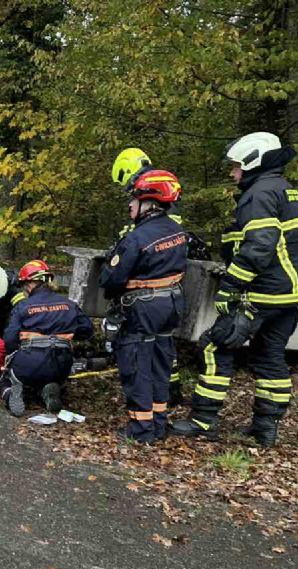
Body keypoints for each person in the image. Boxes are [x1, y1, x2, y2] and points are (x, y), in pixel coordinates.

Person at [171, 132, 298, 447]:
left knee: (214, 346)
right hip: (290, 295)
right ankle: (265, 429)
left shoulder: (258, 194)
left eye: (236, 167)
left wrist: (230, 287)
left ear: (252, 162)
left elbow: (259, 246)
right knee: (269, 356)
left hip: (262, 294)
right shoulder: (287, 191)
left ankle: (203, 420)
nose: (232, 173)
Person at [100, 170, 187, 443]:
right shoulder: (177, 231)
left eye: (134, 200)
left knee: (137, 364)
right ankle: (159, 424)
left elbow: (111, 280)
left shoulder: (136, 238)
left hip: (143, 308)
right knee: (161, 364)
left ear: (149, 204)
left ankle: (141, 429)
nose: (130, 206)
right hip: (171, 304)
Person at [111, 147, 186, 402]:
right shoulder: (164, 191)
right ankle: (161, 406)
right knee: (161, 351)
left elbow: (119, 267)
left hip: (146, 296)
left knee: (140, 355)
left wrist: (123, 249)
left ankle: (143, 423)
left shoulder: (152, 194)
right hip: (171, 295)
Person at [0, 260, 93, 416]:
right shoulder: (69, 304)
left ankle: (12, 393)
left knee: (5, 379)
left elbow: (9, 339)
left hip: (30, 363)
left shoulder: (23, 306)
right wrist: (66, 335)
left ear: (29, 284)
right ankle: (49, 388)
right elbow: (88, 330)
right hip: (61, 365)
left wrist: (12, 358)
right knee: (50, 375)